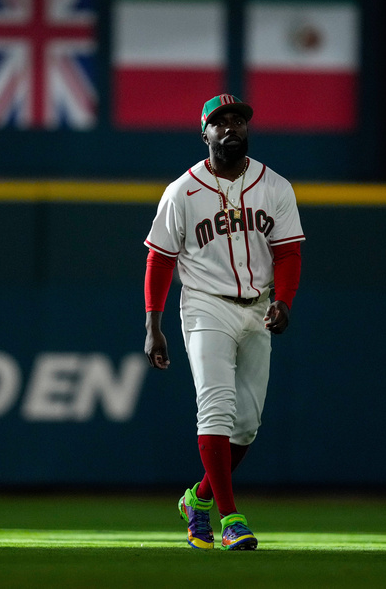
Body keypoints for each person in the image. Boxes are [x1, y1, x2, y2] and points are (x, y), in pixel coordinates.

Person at [143, 94, 304, 551]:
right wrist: (154, 323)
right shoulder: (182, 190)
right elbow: (159, 259)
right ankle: (231, 518)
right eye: (220, 122)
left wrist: (285, 301)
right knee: (216, 407)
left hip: (258, 305)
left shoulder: (275, 186)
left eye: (238, 120)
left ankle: (197, 500)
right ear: (205, 134)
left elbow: (289, 252)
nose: (231, 127)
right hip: (205, 304)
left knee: (247, 424)